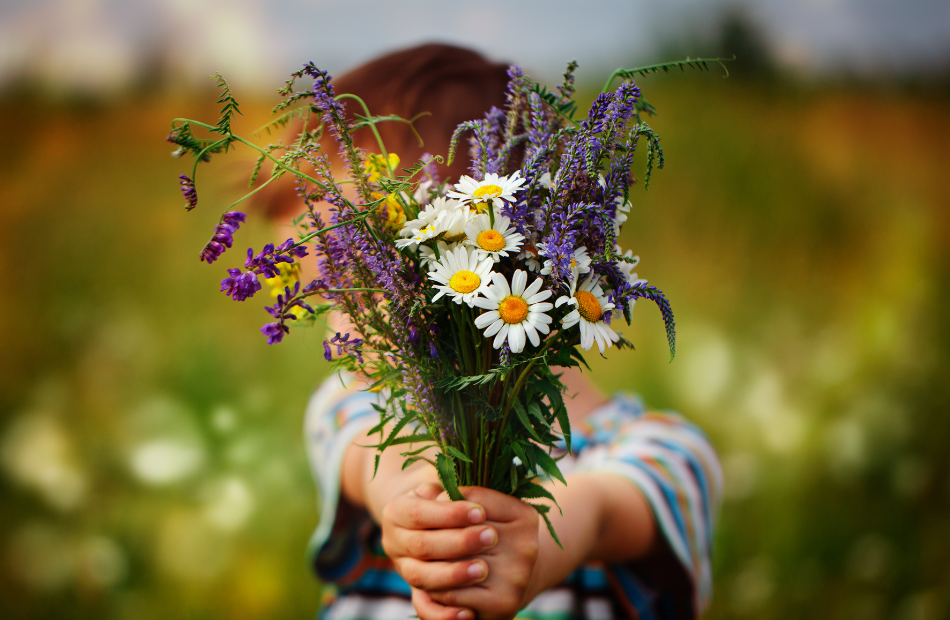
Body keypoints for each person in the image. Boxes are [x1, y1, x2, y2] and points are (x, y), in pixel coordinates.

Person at [265, 44, 722, 620]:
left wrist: (543, 541)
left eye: (360, 290)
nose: (343, 326)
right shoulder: (352, 407)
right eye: (331, 297)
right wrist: (419, 507)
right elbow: (373, 459)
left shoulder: (662, 453)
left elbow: (609, 507)